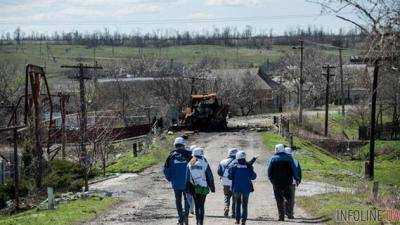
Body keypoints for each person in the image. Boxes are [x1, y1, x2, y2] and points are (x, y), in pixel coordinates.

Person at [163, 137, 192, 225]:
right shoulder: (190, 155)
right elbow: (196, 168)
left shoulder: (170, 156)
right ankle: (186, 216)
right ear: (184, 145)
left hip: (176, 184)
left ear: (175, 146)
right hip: (188, 183)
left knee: (178, 200)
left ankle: (180, 218)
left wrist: (170, 179)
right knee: (187, 199)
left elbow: (166, 170)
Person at [267, 144, 300, 221]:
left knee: (279, 199)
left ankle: (281, 216)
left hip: (276, 183)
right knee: (288, 198)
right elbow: (294, 170)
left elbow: (269, 172)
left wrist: (272, 180)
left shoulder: (273, 159)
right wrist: (296, 178)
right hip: (288, 182)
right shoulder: (289, 158)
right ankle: (289, 213)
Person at [186, 147, 215, 225]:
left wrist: (187, 188)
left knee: (196, 204)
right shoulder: (204, 162)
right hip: (203, 187)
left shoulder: (190, 163)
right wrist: (212, 187)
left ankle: (197, 221)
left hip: (193, 187)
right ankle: (200, 222)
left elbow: (187, 177)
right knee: (201, 205)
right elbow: (209, 176)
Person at [228, 151, 257, 225]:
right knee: (245, 204)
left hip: (236, 188)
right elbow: (254, 177)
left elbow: (230, 177)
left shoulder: (234, 167)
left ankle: (237, 220)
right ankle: (243, 221)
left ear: (237, 158)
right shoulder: (248, 166)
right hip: (246, 189)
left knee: (237, 204)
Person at [217, 148, 238, 218]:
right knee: (235, 198)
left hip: (225, 182)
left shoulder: (222, 161)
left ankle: (226, 207)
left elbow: (219, 172)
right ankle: (233, 213)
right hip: (235, 182)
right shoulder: (238, 162)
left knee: (227, 196)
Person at [284, 147, 302, 219]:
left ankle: (285, 211)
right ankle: (290, 213)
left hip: (284, 182)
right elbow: (299, 172)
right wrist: (298, 181)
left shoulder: (281, 160)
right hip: (292, 183)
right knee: (291, 199)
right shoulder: (295, 161)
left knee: (284, 197)